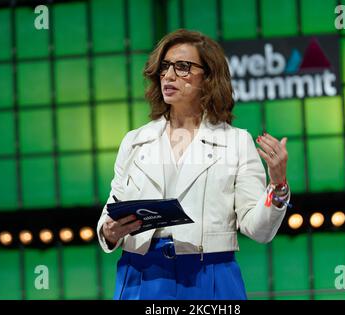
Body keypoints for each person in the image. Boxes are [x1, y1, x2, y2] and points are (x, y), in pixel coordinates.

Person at [96, 29, 290, 300]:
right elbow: (111, 212)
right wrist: (109, 232)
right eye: (164, 67)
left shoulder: (236, 142)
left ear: (208, 77)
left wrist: (277, 185)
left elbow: (258, 230)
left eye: (183, 67)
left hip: (210, 275)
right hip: (140, 275)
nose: (169, 75)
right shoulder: (135, 141)